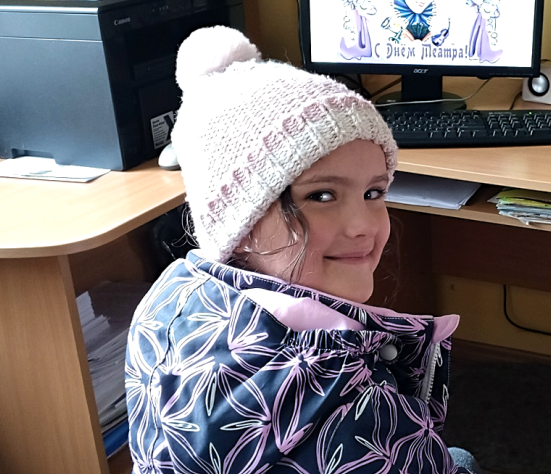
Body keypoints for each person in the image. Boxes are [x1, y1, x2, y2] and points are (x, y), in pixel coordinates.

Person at [125, 25, 480, 474]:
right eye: (322, 196)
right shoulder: (348, 403)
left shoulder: (169, 298)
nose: (364, 226)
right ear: (241, 218)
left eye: (373, 192)